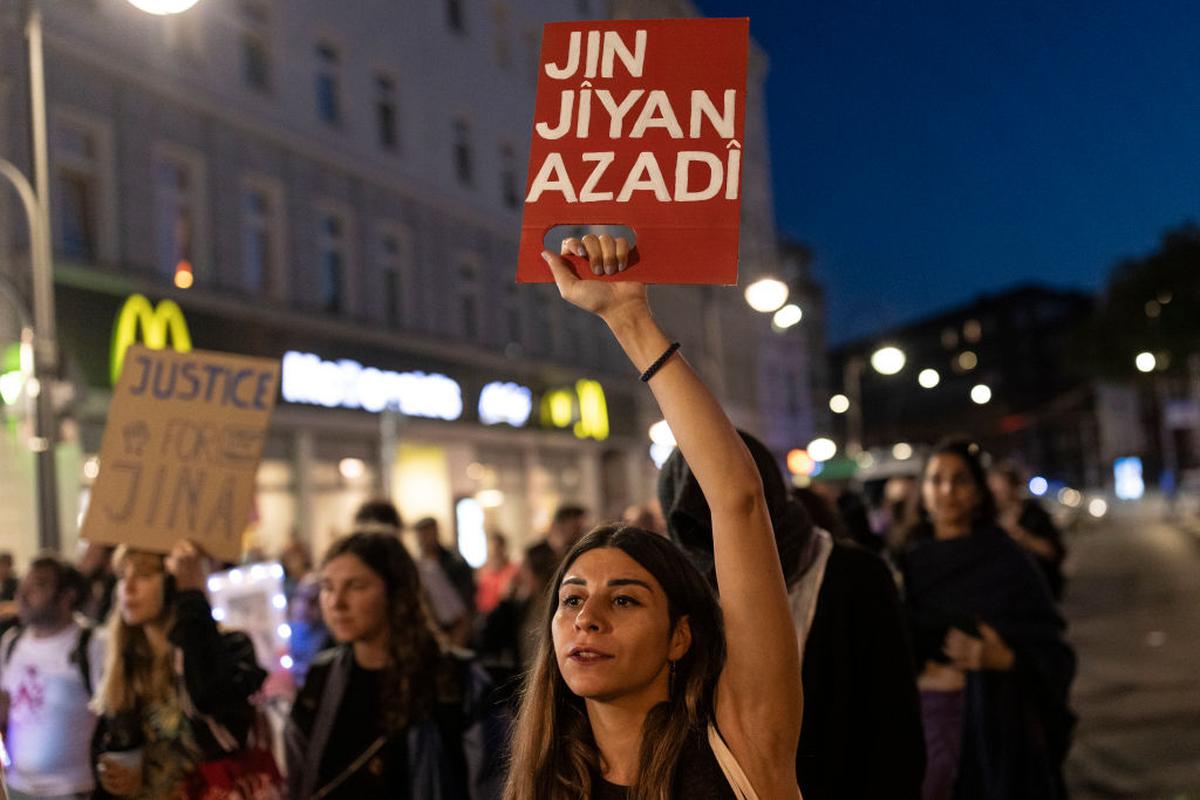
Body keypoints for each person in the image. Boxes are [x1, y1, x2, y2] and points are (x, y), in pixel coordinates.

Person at [503, 238, 803, 798]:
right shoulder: (542, 783)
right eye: (571, 598)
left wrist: (629, 319)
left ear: (680, 638)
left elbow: (736, 500)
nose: (586, 619)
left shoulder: (741, 745)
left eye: (624, 599)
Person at [662, 431, 926, 799]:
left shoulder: (854, 576)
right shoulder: (682, 595)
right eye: (704, 516)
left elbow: (894, 727)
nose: (726, 535)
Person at [901, 440, 1076, 800]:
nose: (947, 490)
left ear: (979, 492)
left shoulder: (1007, 562)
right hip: (923, 726)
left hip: (995, 728)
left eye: (960, 480)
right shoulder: (907, 563)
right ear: (923, 491)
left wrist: (1003, 659)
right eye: (936, 480)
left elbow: (1053, 651)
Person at [285, 532, 475, 799]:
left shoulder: (453, 678)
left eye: (356, 586)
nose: (337, 603)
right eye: (327, 587)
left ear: (394, 591)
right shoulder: (321, 677)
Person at [90, 541, 270, 800]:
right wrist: (115, 779)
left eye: (143, 575)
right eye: (121, 576)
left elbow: (211, 702)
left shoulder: (230, 646)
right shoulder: (125, 662)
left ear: (173, 583)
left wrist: (192, 598)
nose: (127, 588)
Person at [0, 556, 104, 800]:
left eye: (37, 586)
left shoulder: (92, 644)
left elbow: (116, 710)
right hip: (18, 787)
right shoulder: (12, 642)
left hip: (73, 790)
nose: (22, 596)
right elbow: (5, 704)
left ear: (67, 595)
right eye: (22, 586)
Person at [987, 463, 1067, 601]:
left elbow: (1054, 552)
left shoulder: (1035, 515)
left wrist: (1022, 536)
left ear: (1013, 487)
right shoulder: (987, 518)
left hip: (1039, 591)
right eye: (993, 490)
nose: (997, 494)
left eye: (1001, 489)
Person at [474, 532, 518, 615]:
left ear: (503, 548)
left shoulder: (513, 571)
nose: (494, 552)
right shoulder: (481, 573)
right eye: (491, 549)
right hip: (485, 616)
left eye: (497, 548)